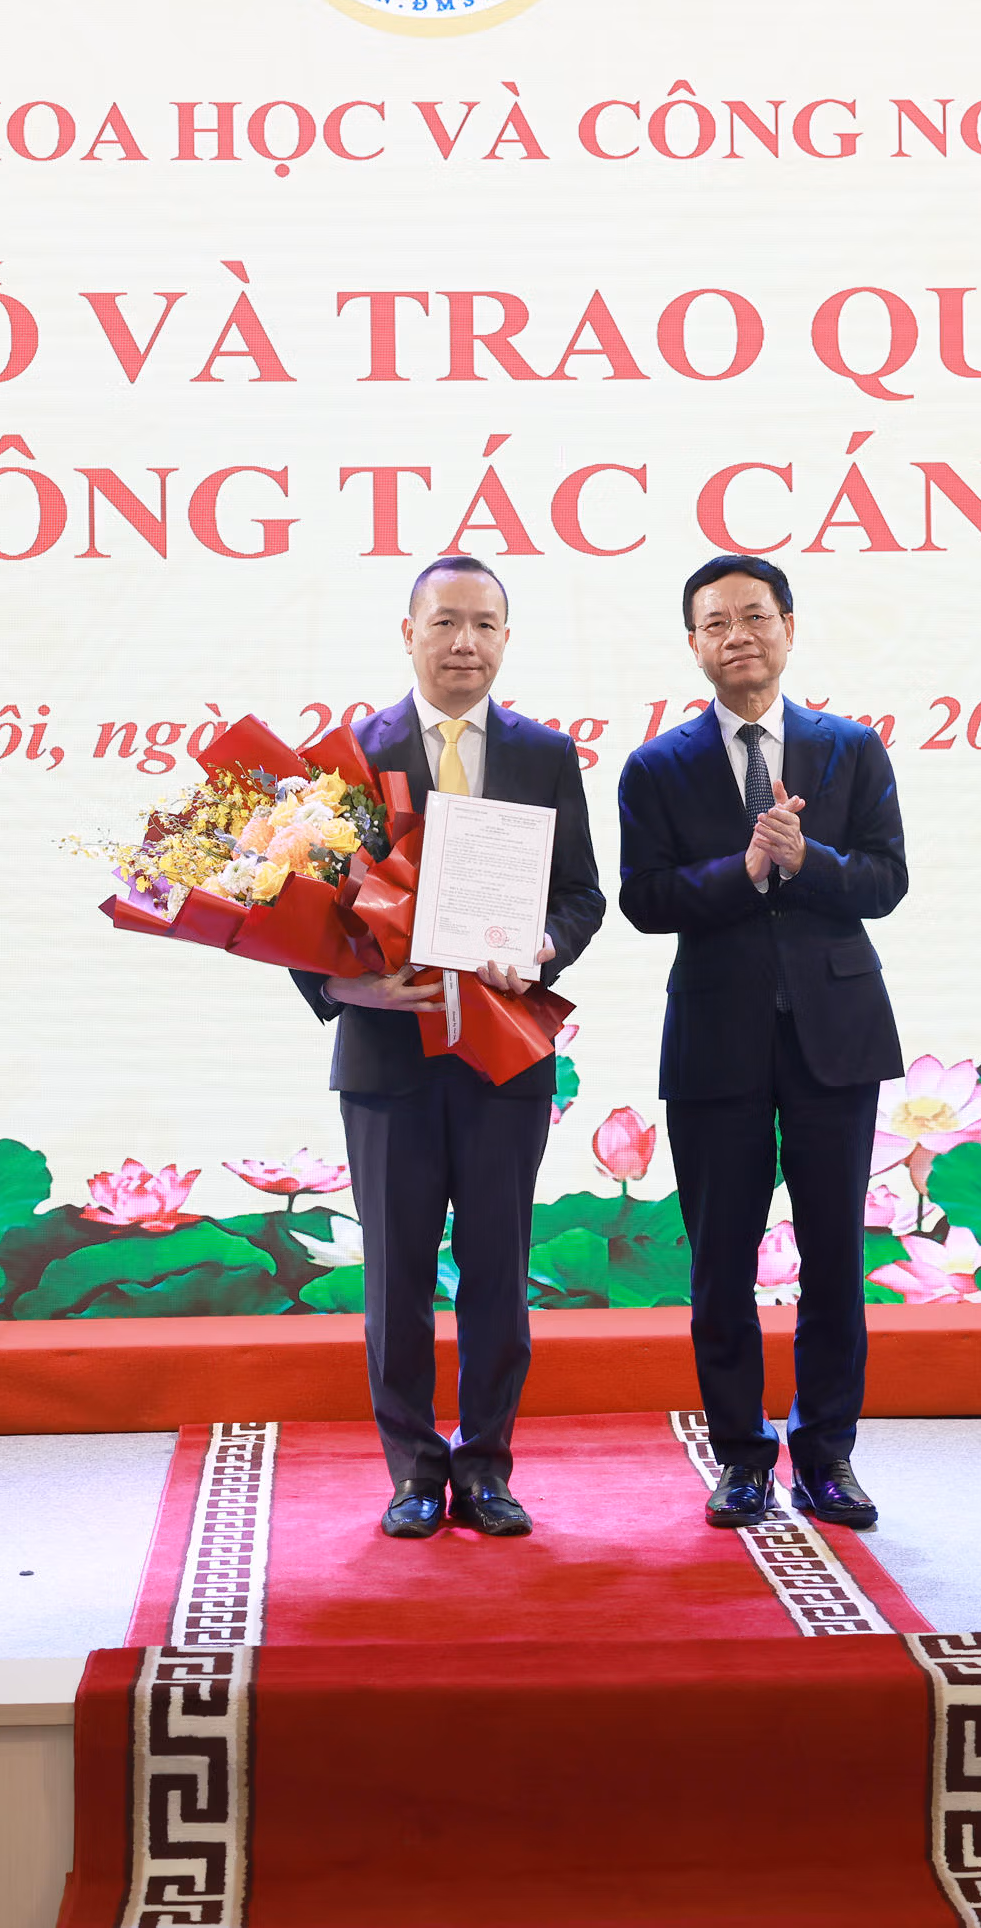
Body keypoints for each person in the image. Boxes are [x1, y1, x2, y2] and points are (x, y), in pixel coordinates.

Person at [293, 556, 606, 1539]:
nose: (464, 642)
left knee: (498, 1271)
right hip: (387, 1058)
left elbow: (580, 893)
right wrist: (342, 985)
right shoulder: (351, 754)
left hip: (503, 1052)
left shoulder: (544, 754)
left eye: (483, 624)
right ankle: (413, 1474)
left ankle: (486, 1467)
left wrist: (543, 944)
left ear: (505, 638)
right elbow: (294, 906)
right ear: (409, 632)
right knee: (394, 1276)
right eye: (444, 623)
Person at [616, 555, 906, 1530]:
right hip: (715, 1037)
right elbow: (644, 900)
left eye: (754, 615)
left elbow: (885, 880)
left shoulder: (850, 748)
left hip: (836, 1035)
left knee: (833, 1260)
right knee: (719, 1265)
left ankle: (827, 1457)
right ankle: (741, 1457)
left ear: (788, 627)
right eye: (716, 623)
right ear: (692, 644)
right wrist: (741, 869)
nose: (737, 635)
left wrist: (806, 857)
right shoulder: (655, 766)